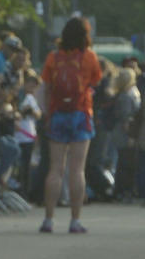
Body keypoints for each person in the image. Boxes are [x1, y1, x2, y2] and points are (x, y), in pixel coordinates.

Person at [38, 16, 104, 234]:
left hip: (57, 114)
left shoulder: (53, 57)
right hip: (81, 113)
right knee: (77, 170)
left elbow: (47, 88)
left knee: (56, 168)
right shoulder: (89, 57)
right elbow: (95, 82)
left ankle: (49, 218)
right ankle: (75, 220)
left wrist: (48, 115)